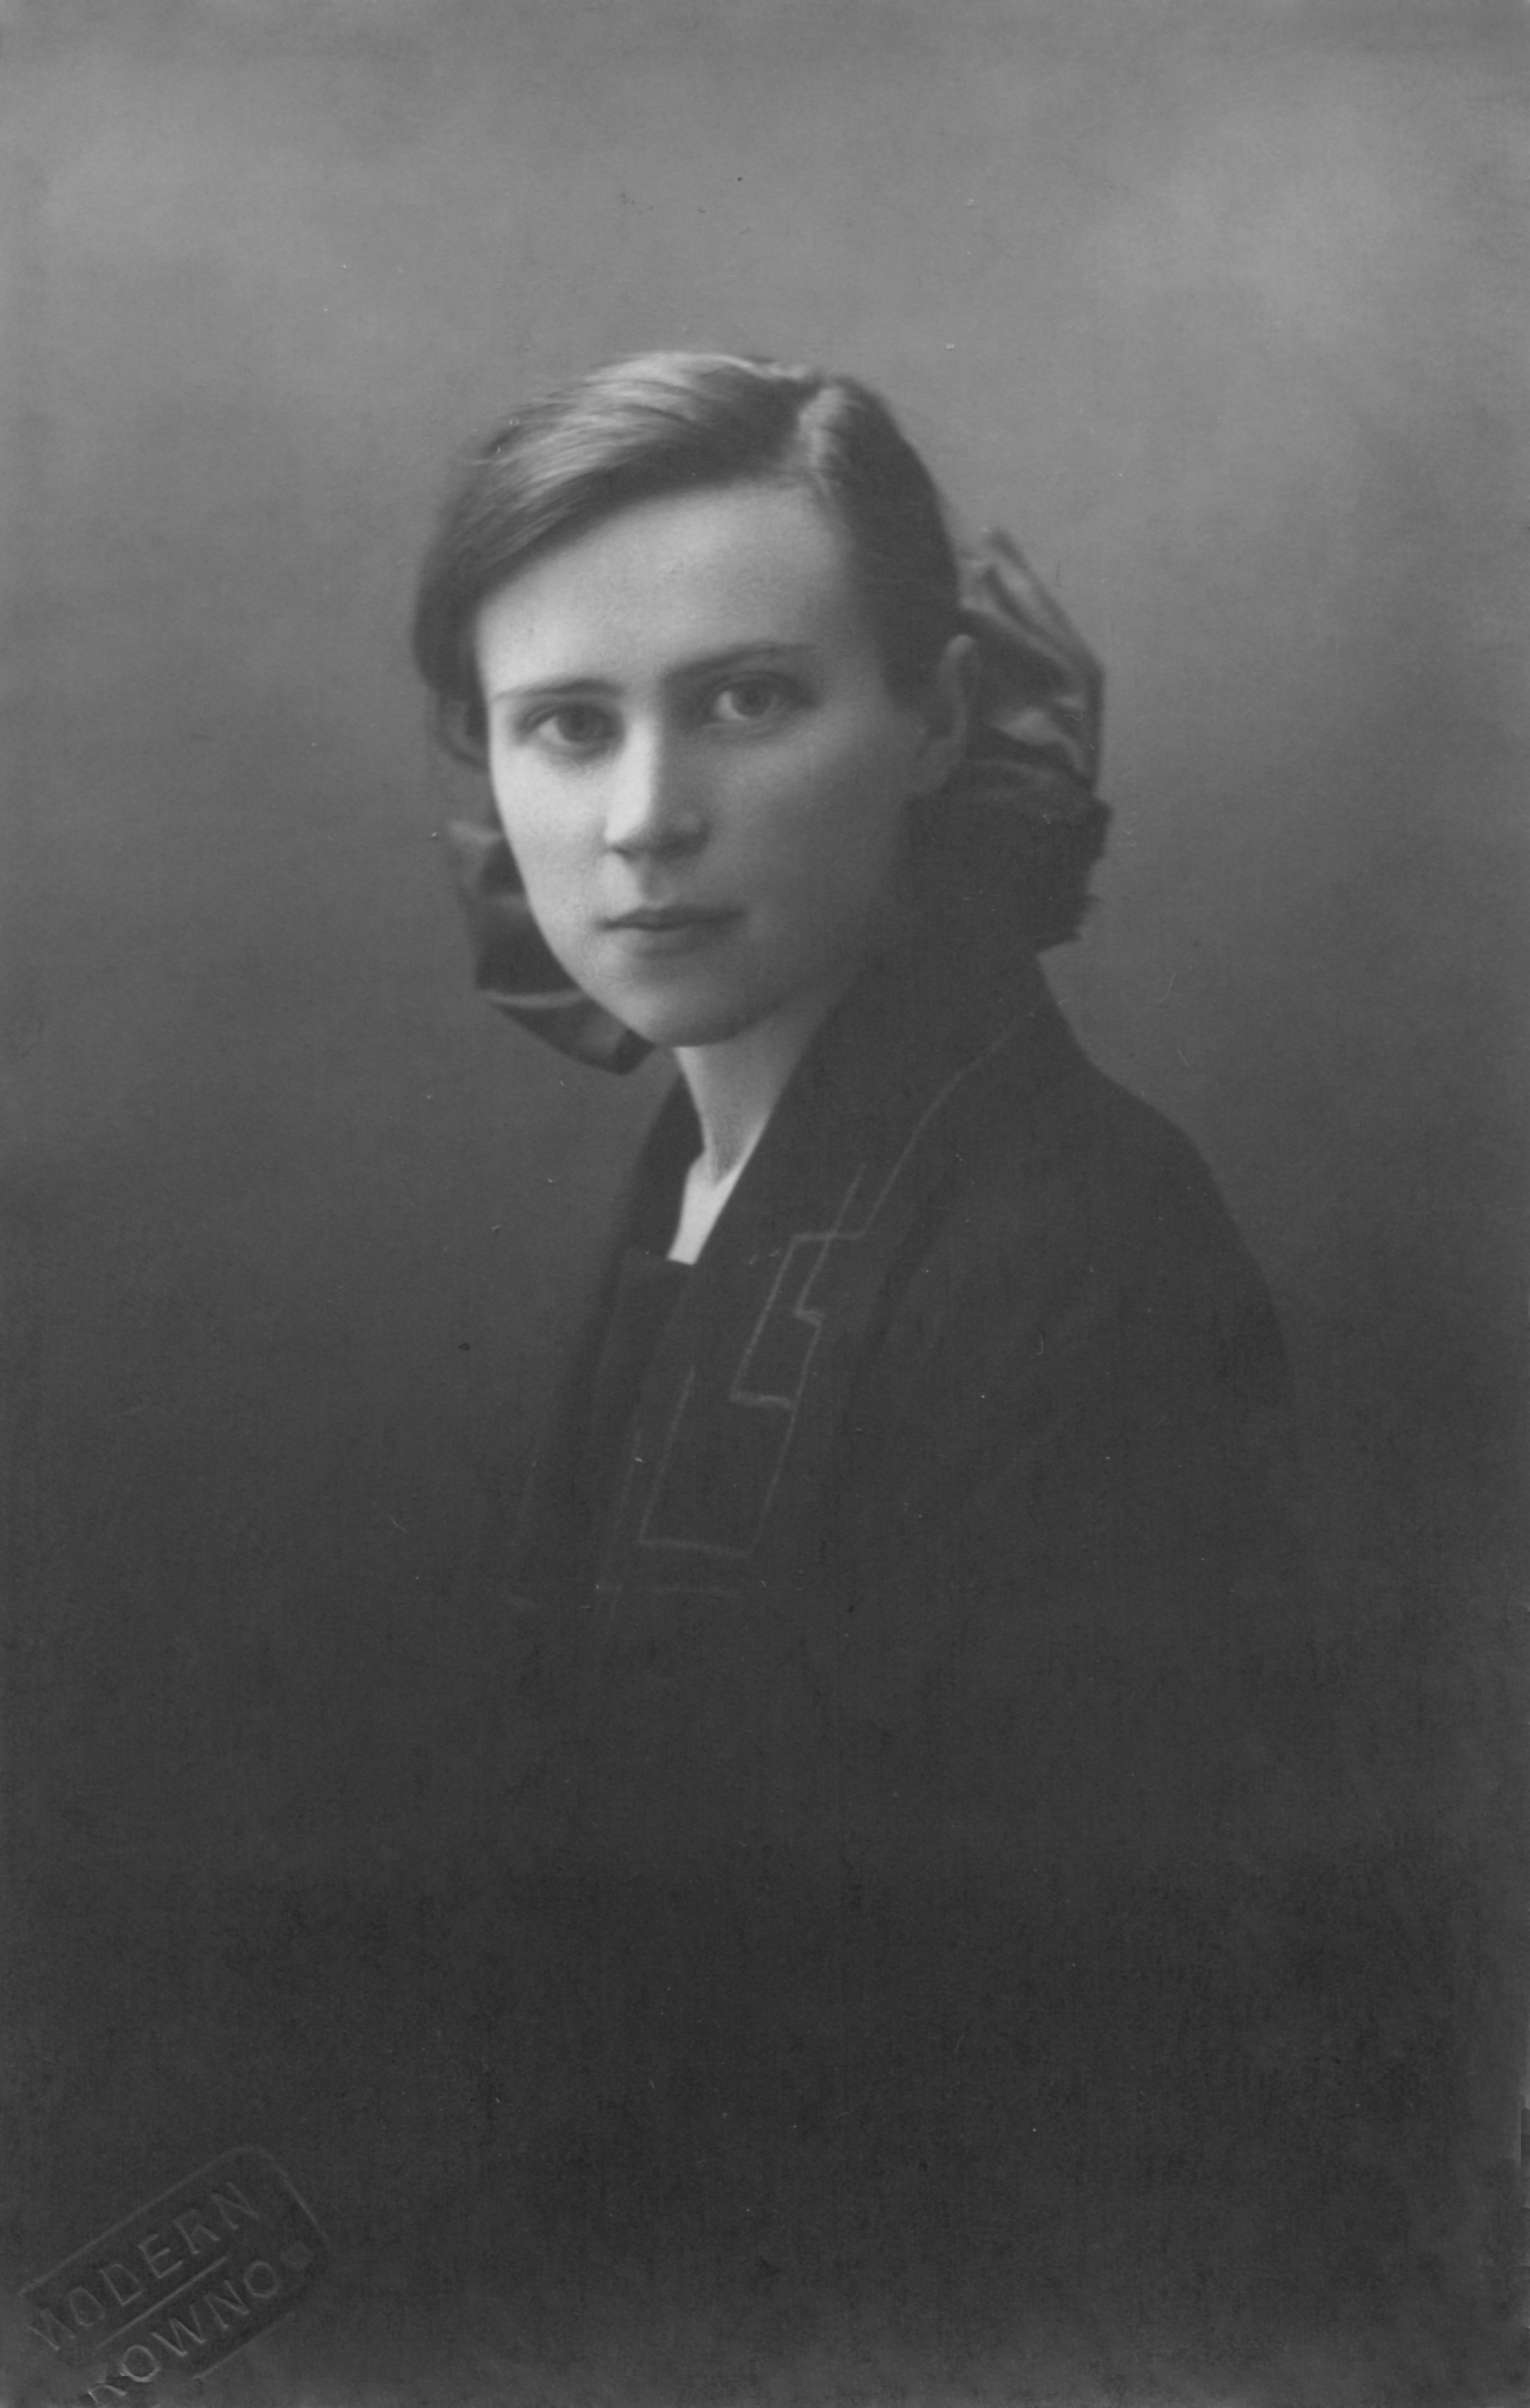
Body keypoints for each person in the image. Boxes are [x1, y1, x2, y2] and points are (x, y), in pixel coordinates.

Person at [410, 352, 1300, 2280]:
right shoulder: (690, 1174)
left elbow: (1090, 2071)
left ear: (933, 718)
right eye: (565, 726)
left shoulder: (1087, 1247)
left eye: (747, 700)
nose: (648, 817)